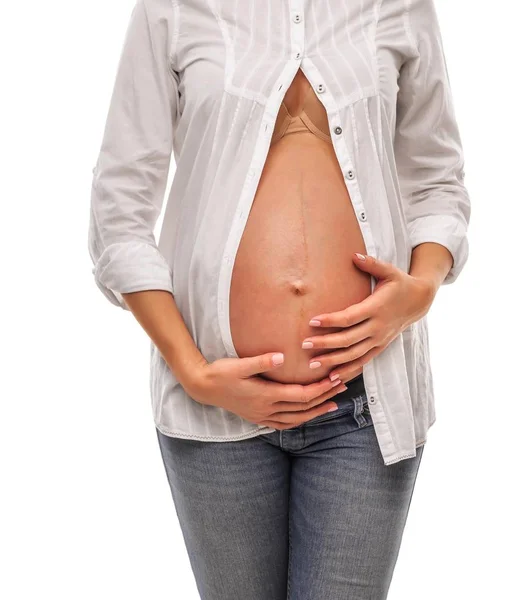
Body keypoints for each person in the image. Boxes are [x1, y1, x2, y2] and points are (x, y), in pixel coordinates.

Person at [88, 0, 471, 597]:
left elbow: (438, 178)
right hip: (215, 406)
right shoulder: (170, 8)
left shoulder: (399, 6)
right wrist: (193, 372)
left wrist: (418, 291)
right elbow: (119, 206)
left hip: (365, 406)